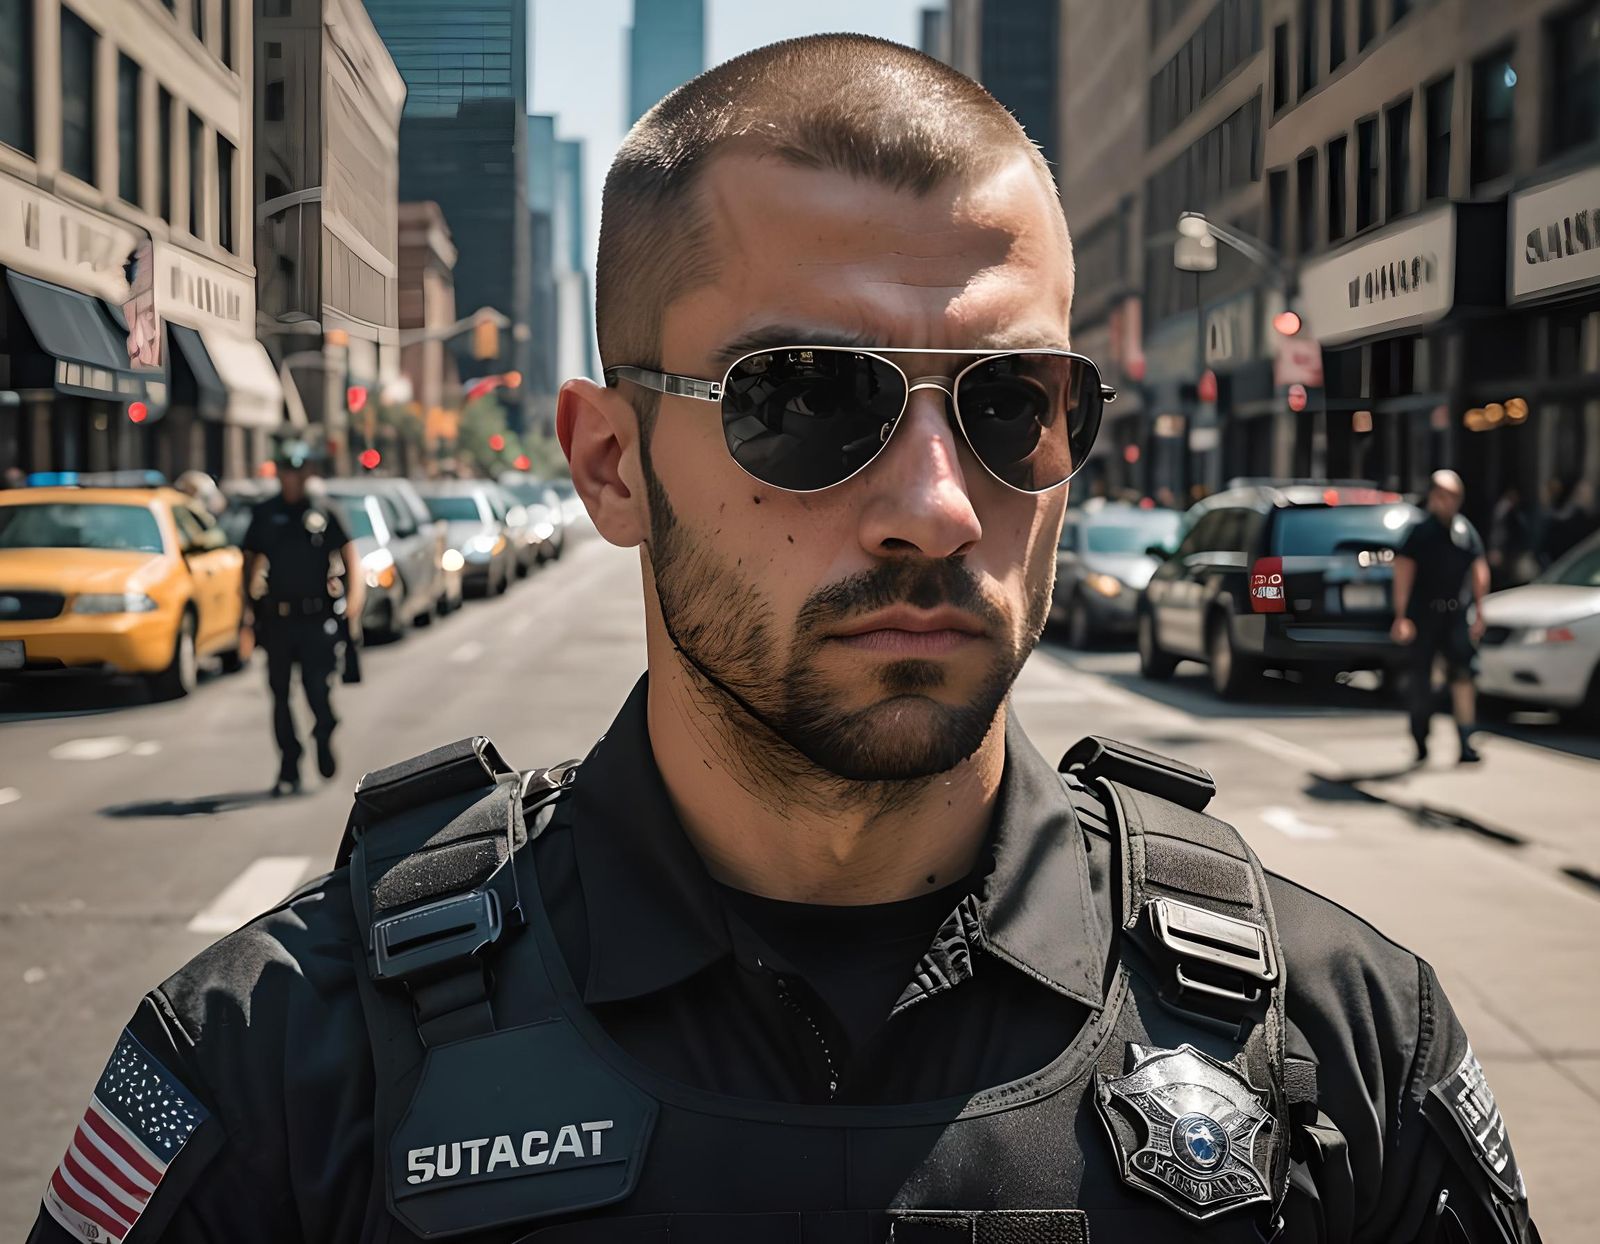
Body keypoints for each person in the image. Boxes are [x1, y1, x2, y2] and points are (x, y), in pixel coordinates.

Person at [30, 37, 1537, 1244]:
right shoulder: (285, 1058)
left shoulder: (1339, 1036)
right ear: (611, 462)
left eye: (1015, 405)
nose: (941, 507)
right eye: (811, 398)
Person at [238, 440, 362, 795]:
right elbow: (248, 562)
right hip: (277, 620)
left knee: (316, 690)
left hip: (316, 620)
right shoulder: (265, 513)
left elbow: (351, 559)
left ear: (308, 473)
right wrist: (246, 611)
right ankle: (289, 766)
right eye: (286, 470)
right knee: (279, 694)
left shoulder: (325, 511)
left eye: (298, 470)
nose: (292, 477)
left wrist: (352, 608)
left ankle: (324, 731)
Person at [1391, 469, 1491, 765]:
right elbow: (1403, 574)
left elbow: (1479, 570)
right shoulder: (1419, 532)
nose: (1448, 502)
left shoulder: (1465, 531)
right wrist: (1401, 616)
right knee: (1421, 679)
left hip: (1455, 614)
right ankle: (1420, 737)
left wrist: (1479, 612)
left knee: (1463, 675)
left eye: (1454, 496)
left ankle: (1466, 739)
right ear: (1433, 497)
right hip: (1424, 614)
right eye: (1443, 495)